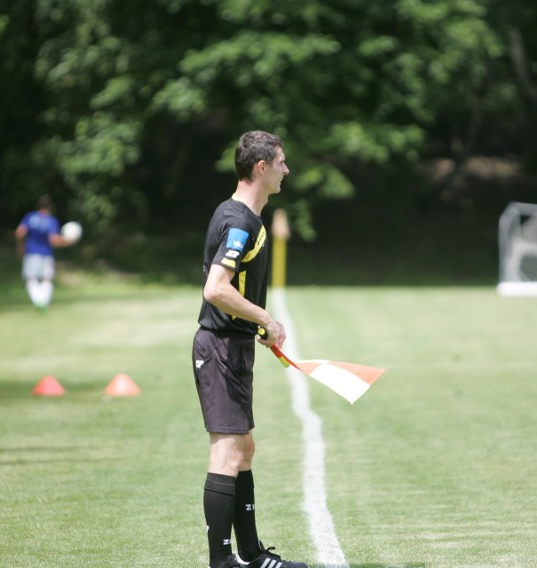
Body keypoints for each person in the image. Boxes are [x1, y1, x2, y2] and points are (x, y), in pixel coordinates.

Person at [192, 131, 307, 568]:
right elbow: (216, 289)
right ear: (261, 167)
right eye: (281, 162)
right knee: (227, 452)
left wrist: (252, 323)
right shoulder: (241, 222)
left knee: (245, 449)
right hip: (220, 348)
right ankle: (222, 563)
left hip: (232, 345)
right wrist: (265, 318)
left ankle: (253, 554)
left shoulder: (238, 215)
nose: (286, 170)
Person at [14, 195, 74, 311]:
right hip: (46, 254)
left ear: (38, 205)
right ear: (50, 207)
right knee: (47, 279)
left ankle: (38, 301)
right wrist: (67, 242)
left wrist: (20, 246)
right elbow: (53, 240)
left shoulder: (30, 217)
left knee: (30, 278)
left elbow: (19, 232)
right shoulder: (51, 221)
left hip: (31, 253)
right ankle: (44, 302)